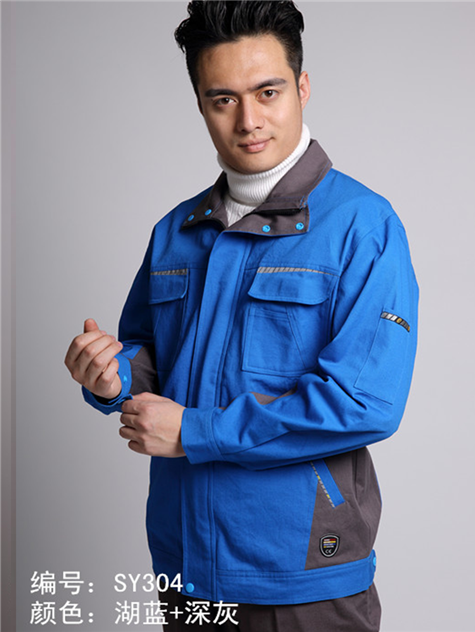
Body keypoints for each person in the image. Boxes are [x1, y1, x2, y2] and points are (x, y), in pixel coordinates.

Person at [64, 1, 418, 630]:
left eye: (268, 92)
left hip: (303, 578)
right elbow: (153, 360)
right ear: (201, 105)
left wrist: (195, 431)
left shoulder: (363, 226)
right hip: (186, 566)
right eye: (223, 99)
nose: (248, 120)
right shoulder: (175, 231)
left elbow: (365, 404)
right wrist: (112, 375)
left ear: (302, 88)